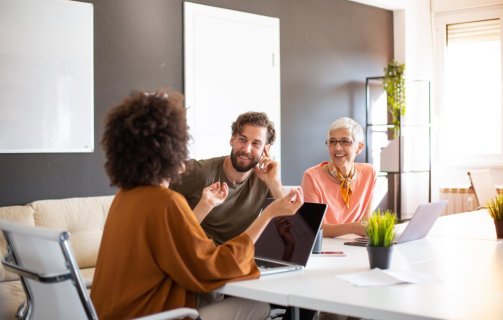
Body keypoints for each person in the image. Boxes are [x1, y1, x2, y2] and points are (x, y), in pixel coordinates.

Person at [90, 89, 304, 320]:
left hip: (112, 313)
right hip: (155, 314)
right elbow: (213, 268)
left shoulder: (125, 197)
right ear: (170, 150)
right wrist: (268, 214)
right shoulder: (166, 202)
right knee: (260, 308)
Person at [171, 111, 284, 243]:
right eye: (242, 139)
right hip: (198, 256)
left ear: (266, 149)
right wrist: (204, 206)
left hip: (236, 256)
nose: (247, 149)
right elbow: (156, 202)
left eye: (256, 143)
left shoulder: (267, 180)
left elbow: (293, 231)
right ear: (232, 139)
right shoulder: (199, 172)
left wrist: (275, 184)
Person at [301, 117, 377, 238]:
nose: (337, 148)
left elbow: (366, 221)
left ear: (359, 147)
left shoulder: (369, 173)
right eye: (332, 141)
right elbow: (313, 226)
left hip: (355, 245)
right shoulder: (311, 177)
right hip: (325, 247)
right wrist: (352, 228)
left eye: (345, 141)